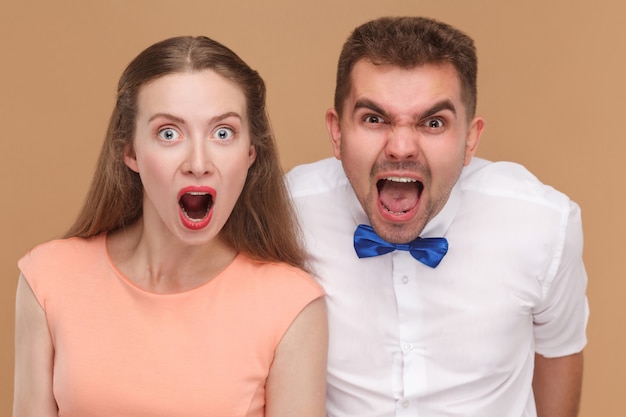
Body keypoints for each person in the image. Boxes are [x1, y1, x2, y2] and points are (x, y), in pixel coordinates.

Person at [286, 16, 588, 417]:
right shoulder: (287, 213)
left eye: (433, 123)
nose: (401, 147)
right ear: (337, 132)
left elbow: (560, 356)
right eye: (374, 119)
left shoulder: (545, 225)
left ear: (470, 140)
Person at [14, 36, 327, 417]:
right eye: (169, 133)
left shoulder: (291, 304)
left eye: (222, 133)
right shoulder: (47, 278)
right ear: (130, 152)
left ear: (250, 154)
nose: (198, 162)